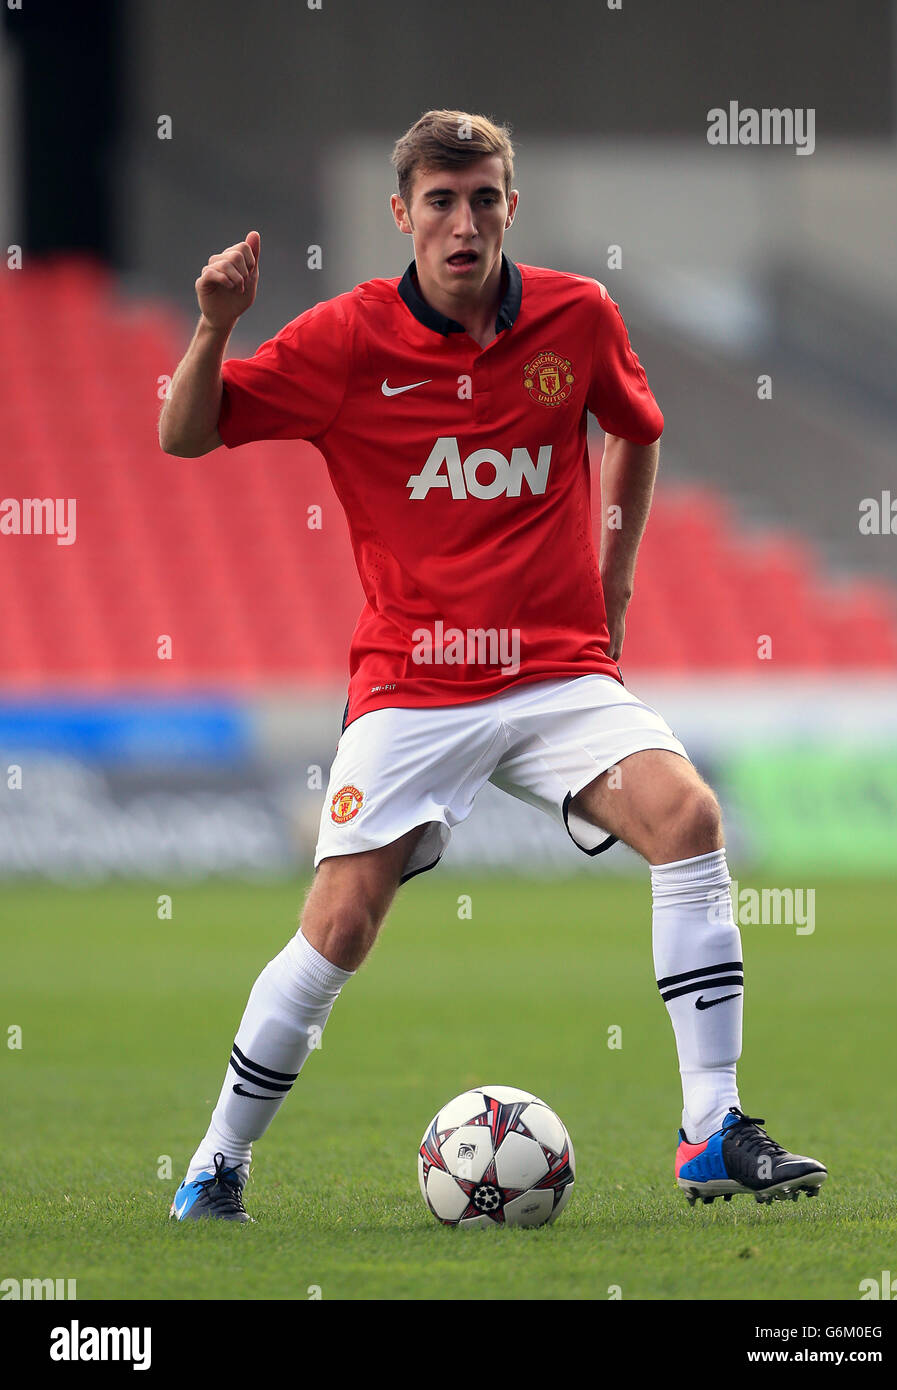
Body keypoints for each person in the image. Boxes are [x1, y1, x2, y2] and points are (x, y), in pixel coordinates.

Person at [159, 109, 826, 1222]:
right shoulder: (343, 341)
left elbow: (635, 427)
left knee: (688, 816)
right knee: (340, 926)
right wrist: (212, 325)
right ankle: (218, 1158)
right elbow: (186, 432)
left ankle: (710, 1128)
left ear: (508, 206)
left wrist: (611, 583)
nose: (461, 222)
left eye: (481, 199)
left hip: (558, 675)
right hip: (411, 686)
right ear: (402, 216)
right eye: (439, 201)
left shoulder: (577, 315)